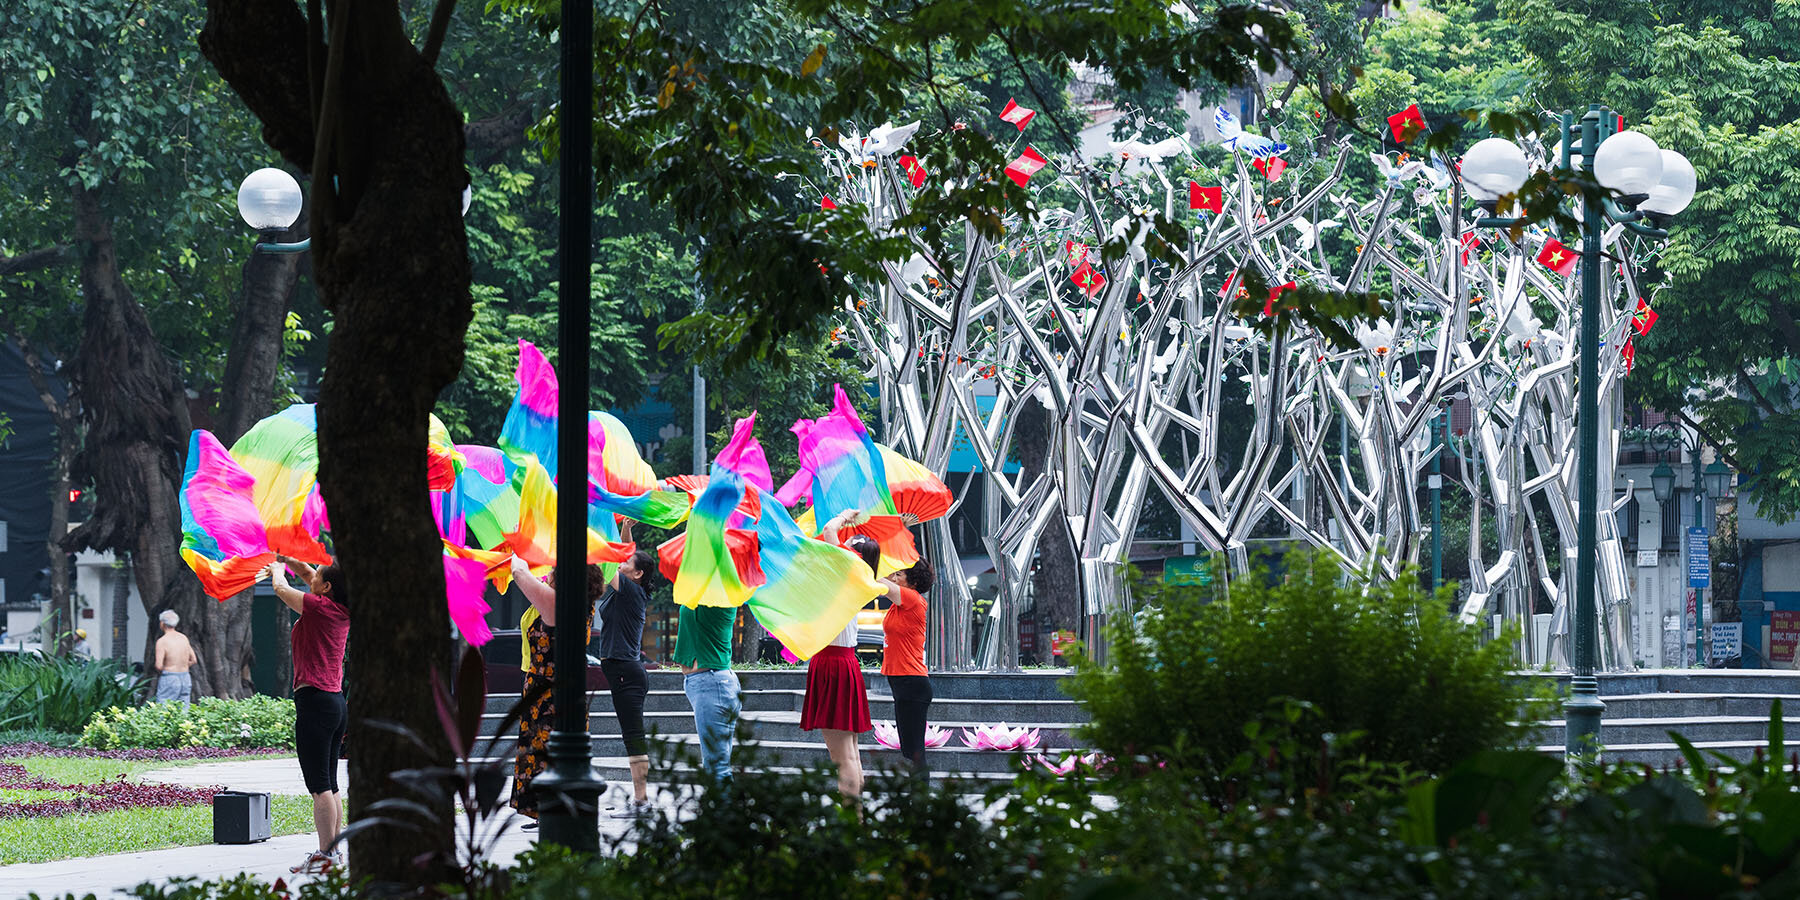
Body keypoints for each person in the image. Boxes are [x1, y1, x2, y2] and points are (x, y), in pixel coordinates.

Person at [804, 514, 899, 800]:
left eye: (847, 547)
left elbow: (829, 529)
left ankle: (850, 823)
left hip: (832, 664)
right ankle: (854, 819)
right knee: (850, 753)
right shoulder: (860, 580)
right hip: (844, 663)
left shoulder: (844, 575)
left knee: (842, 756)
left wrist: (846, 517)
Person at [268, 556, 350, 875]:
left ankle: (325, 854)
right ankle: (333, 853)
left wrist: (275, 570)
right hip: (334, 702)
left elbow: (280, 588)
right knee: (330, 784)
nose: (311, 577)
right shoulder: (339, 607)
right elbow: (306, 573)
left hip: (315, 702)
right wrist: (285, 557)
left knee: (318, 786)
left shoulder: (317, 608)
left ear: (326, 588)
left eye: (319, 577)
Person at [509, 556, 602, 827]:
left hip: (548, 697)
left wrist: (520, 549)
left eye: (552, 572)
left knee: (545, 756)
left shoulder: (556, 604)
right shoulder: (578, 605)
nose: (548, 575)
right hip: (558, 692)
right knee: (549, 757)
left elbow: (519, 573)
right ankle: (549, 816)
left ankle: (552, 818)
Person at [594, 541, 656, 817]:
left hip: (626, 673)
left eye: (627, 562)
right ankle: (640, 800)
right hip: (622, 672)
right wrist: (627, 532)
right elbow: (618, 553)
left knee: (633, 737)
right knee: (631, 736)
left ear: (638, 573)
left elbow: (610, 561)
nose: (621, 563)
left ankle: (641, 802)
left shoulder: (632, 592)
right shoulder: (624, 593)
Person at [674, 584, 742, 788]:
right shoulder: (706, 590)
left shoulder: (718, 594)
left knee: (716, 766)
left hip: (712, 684)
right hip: (709, 683)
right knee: (717, 763)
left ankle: (723, 817)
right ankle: (723, 813)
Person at [883, 559, 934, 774]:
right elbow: (880, 576)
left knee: (915, 753)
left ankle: (920, 803)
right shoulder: (899, 604)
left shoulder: (912, 599)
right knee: (908, 751)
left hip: (912, 682)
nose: (894, 578)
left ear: (913, 581)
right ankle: (917, 800)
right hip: (902, 682)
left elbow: (878, 580)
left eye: (899, 574)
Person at [153, 610, 197, 705]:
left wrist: (169, 668)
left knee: (163, 709)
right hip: (185, 677)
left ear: (162, 623)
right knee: (183, 709)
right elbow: (194, 660)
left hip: (170, 677)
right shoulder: (183, 638)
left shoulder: (162, 641)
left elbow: (158, 666)